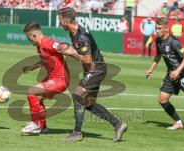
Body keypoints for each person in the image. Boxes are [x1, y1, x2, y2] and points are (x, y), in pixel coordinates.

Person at [57, 7, 127, 142]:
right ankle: (118, 124)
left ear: (66, 21)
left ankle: (77, 133)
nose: (59, 23)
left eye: (60, 20)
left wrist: (71, 53)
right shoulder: (74, 32)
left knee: (77, 94)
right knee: (88, 104)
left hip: (96, 70)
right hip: (92, 70)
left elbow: (87, 60)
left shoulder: (81, 36)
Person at [21, 22, 70, 135]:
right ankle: (42, 127)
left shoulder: (47, 43)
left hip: (60, 80)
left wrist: (83, 58)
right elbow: (44, 60)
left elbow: (64, 47)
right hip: (54, 78)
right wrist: (31, 67)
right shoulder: (40, 47)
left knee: (31, 92)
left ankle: (35, 123)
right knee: (38, 99)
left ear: (34, 36)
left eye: (29, 38)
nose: (29, 40)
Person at [146, 17, 184, 130]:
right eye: (156, 28)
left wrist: (178, 71)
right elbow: (158, 56)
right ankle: (179, 122)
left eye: (159, 28)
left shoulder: (174, 42)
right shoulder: (157, 40)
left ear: (166, 29)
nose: (156, 31)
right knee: (162, 99)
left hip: (182, 73)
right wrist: (151, 69)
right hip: (171, 74)